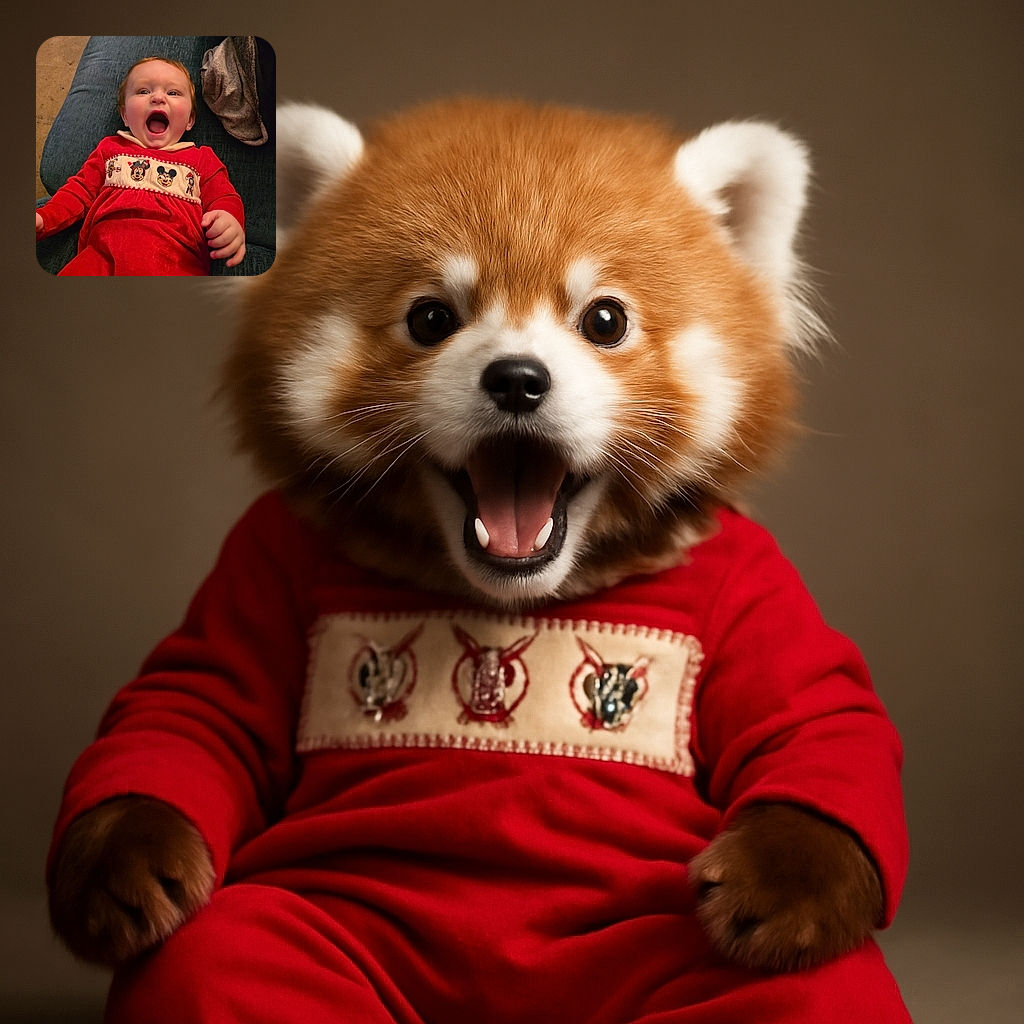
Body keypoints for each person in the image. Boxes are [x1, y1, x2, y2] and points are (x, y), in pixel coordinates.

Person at [36, 57, 246, 275]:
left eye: (173, 93)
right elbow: (78, 192)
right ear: (125, 115)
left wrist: (229, 219)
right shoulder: (110, 149)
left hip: (178, 264)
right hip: (100, 258)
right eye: (143, 91)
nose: (157, 97)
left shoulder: (203, 159)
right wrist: (44, 218)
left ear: (190, 120)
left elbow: (224, 197)